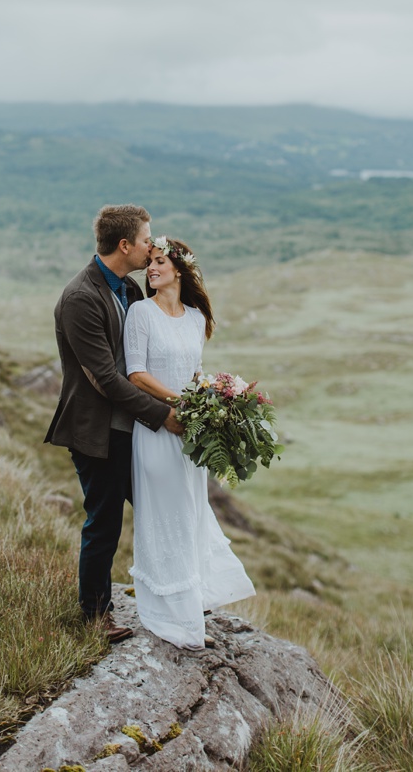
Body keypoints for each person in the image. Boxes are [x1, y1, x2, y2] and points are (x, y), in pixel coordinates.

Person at [45, 205, 183, 643]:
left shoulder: (129, 288)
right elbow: (104, 379)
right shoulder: (80, 299)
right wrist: (164, 416)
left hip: (132, 426)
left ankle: (170, 599)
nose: (152, 247)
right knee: (103, 521)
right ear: (125, 245)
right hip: (96, 431)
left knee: (160, 510)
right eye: (146, 240)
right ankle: (94, 616)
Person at [123, 236, 255, 650]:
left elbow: (196, 372)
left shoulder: (197, 318)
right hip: (157, 430)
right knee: (167, 514)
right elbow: (136, 375)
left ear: (179, 269)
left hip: (191, 434)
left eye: (159, 262)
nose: (152, 269)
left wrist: (214, 398)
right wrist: (179, 403)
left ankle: (190, 602)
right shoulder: (140, 313)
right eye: (150, 264)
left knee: (193, 511)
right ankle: (168, 612)